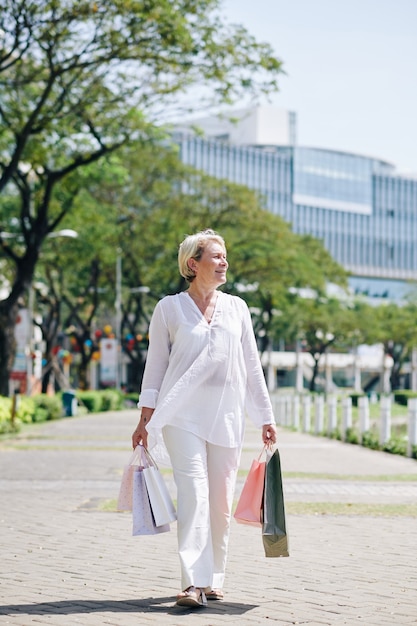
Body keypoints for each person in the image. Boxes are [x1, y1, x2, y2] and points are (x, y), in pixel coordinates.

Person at [132, 228, 277, 608]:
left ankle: (214, 578)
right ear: (192, 264)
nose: (224, 262)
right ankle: (192, 583)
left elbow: (251, 366)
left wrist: (265, 416)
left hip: (226, 416)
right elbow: (156, 368)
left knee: (219, 502)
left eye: (225, 256)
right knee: (194, 494)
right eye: (216, 256)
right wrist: (145, 420)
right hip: (181, 415)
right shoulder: (168, 308)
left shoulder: (238, 308)